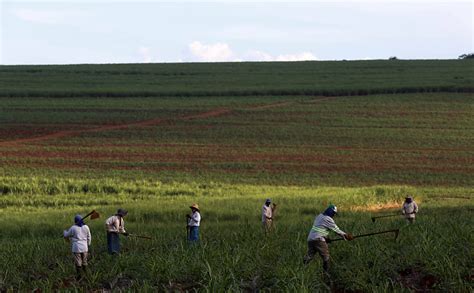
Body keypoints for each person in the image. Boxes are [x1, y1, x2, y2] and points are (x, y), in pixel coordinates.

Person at [303, 204, 353, 273]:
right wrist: (346, 235)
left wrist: (326, 238)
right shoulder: (328, 219)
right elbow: (337, 230)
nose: (334, 215)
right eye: (334, 214)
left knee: (309, 255)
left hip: (310, 239)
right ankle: (326, 274)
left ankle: (302, 269)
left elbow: (319, 229)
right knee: (326, 257)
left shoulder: (319, 216)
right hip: (319, 240)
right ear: (331, 213)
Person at [63, 214, 91, 280]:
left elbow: (67, 235)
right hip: (85, 247)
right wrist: (88, 244)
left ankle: (79, 277)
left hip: (76, 248)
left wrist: (64, 232)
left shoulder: (73, 228)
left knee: (78, 262)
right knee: (84, 261)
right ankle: (86, 275)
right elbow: (89, 237)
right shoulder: (86, 227)